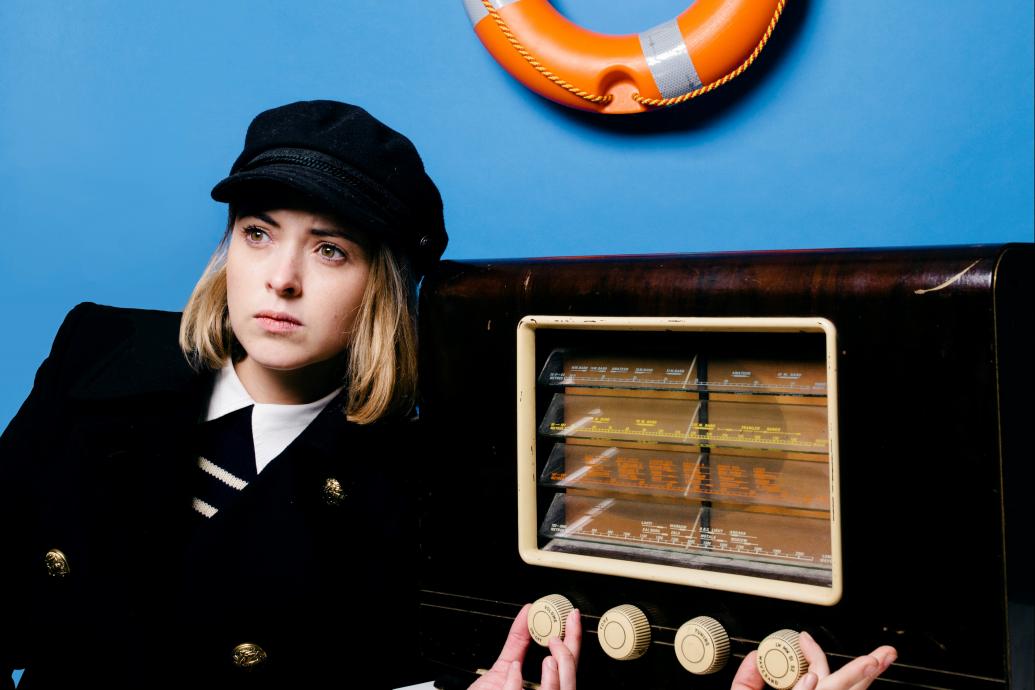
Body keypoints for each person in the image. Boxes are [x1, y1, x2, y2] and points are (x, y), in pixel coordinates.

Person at [0, 99, 890, 690]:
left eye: (330, 250)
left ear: (383, 288)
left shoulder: (424, 481)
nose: (279, 280)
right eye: (258, 232)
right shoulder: (101, 356)